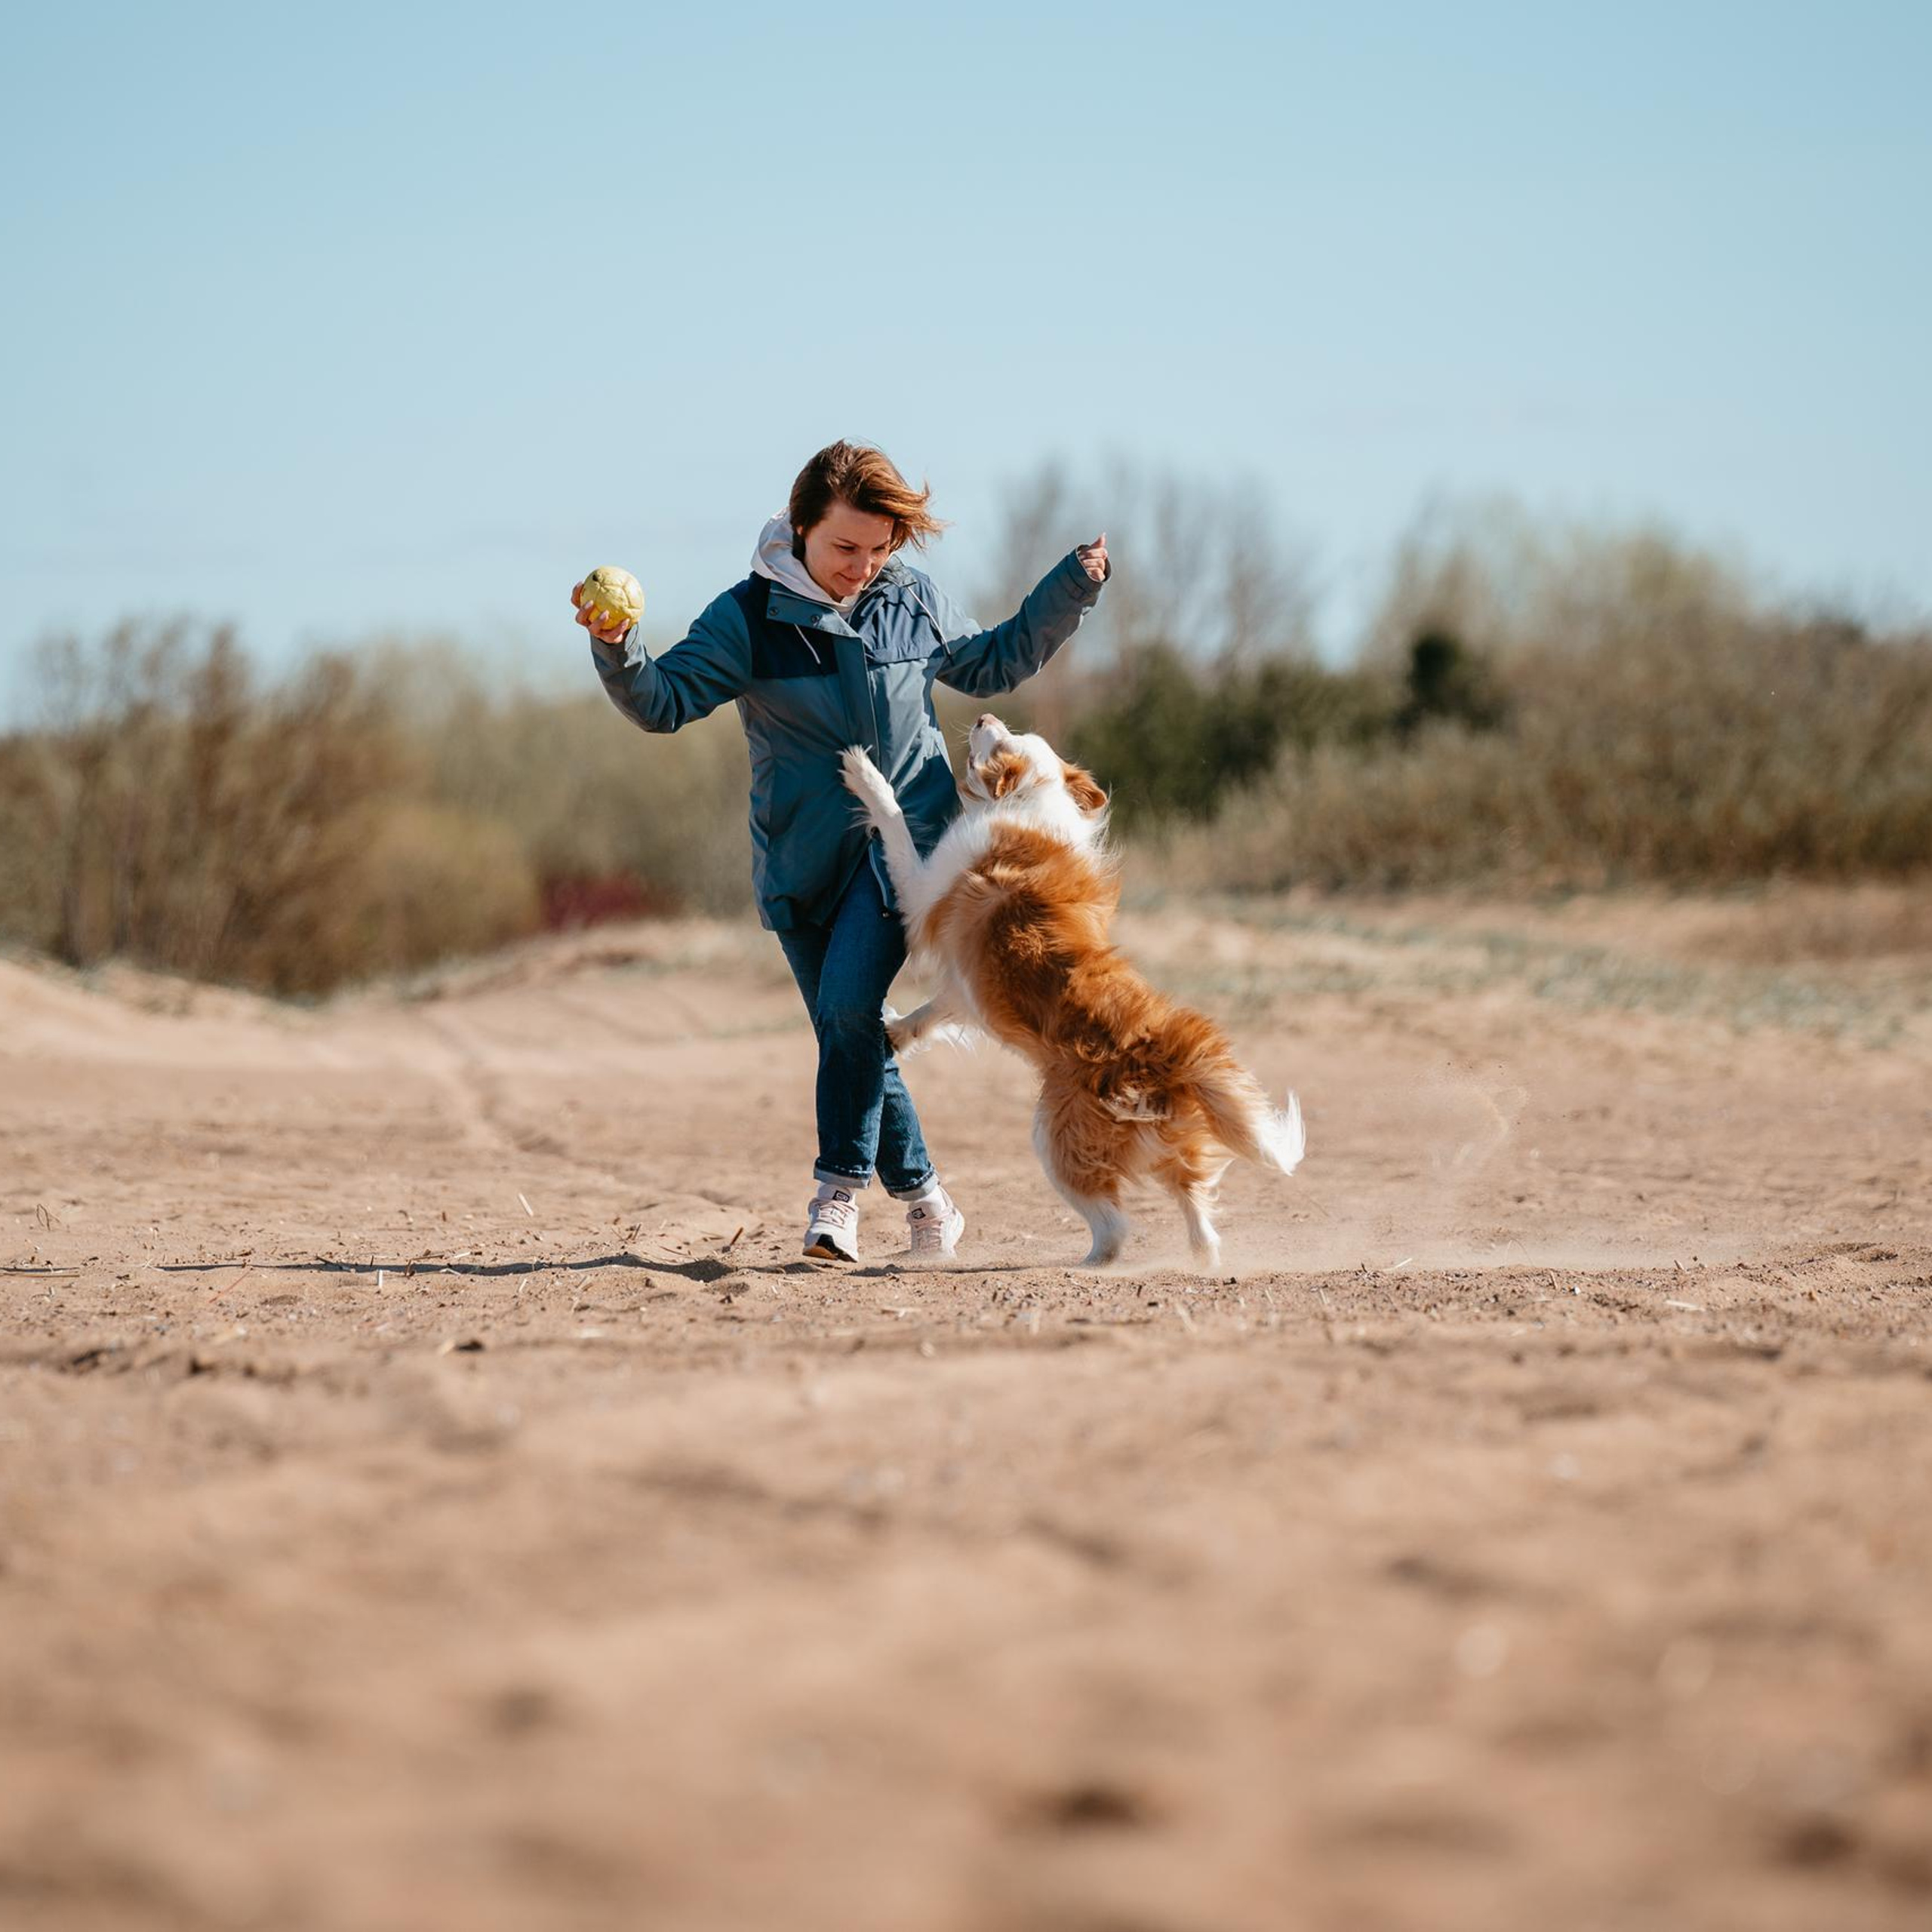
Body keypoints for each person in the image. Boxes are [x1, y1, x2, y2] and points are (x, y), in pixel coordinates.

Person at [575, 441, 1109, 1263]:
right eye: (844, 547)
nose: (864, 566)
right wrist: (618, 646)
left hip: (909, 849)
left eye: (879, 549)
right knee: (848, 1031)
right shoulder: (748, 619)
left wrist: (1071, 589)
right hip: (800, 859)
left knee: (851, 1009)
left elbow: (994, 659)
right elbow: (664, 701)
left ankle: (837, 1196)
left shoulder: (912, 601)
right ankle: (930, 1204)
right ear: (799, 531)